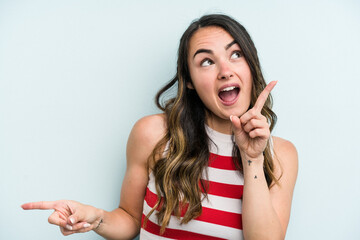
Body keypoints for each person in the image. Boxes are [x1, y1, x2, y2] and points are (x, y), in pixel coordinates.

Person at [22, 14, 298, 240]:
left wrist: (252, 159)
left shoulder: (280, 155)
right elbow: (130, 219)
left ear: (251, 65)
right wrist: (97, 219)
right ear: (189, 81)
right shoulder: (154, 134)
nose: (225, 70)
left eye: (235, 54)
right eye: (207, 61)